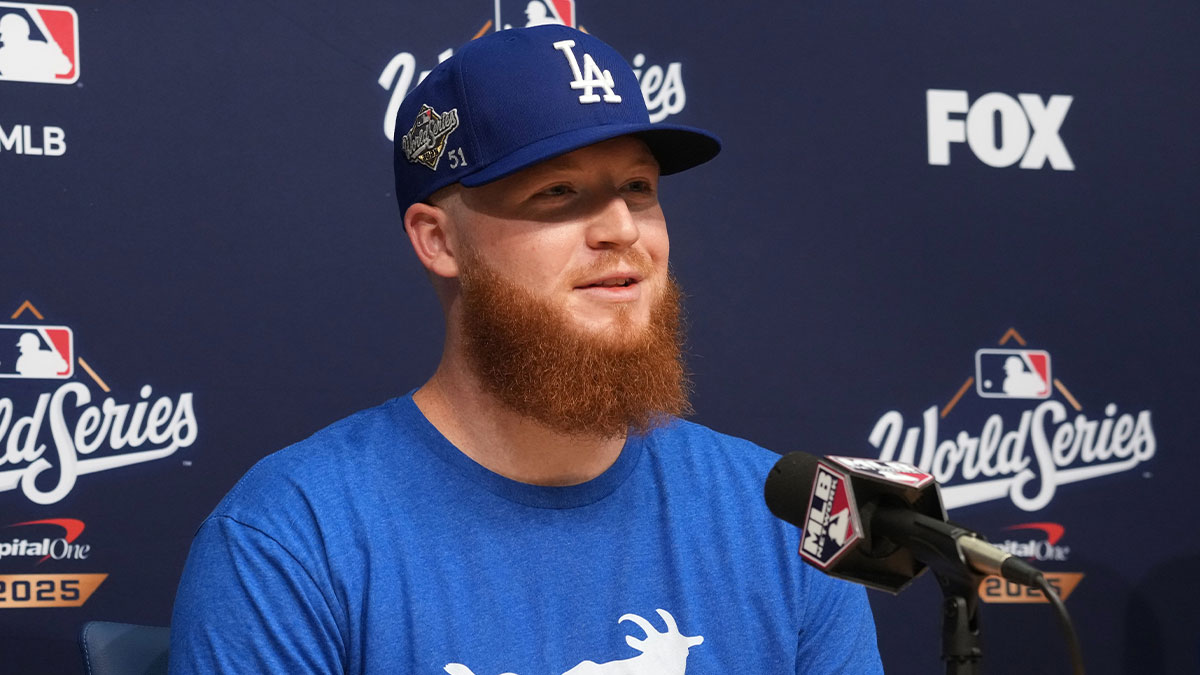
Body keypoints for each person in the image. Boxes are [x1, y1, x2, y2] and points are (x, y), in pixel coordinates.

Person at [169, 25, 883, 674]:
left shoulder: (785, 521)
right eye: (559, 191)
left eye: (638, 187)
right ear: (438, 239)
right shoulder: (293, 536)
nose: (621, 228)